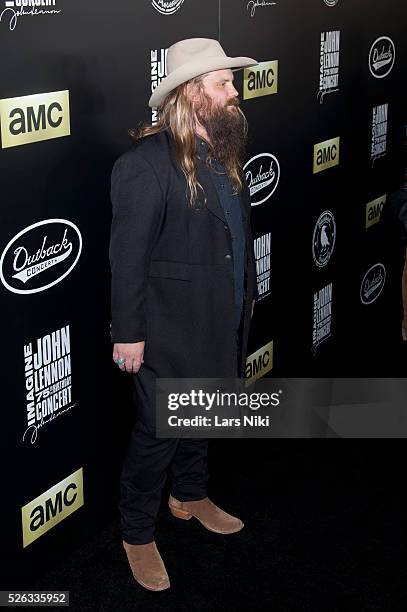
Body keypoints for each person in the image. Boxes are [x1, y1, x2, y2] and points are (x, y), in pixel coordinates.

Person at [109, 38, 259, 591]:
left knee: (207, 414)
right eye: (223, 83)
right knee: (156, 435)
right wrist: (128, 335)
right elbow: (126, 260)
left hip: (221, 319)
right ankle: (136, 532)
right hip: (169, 330)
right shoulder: (143, 166)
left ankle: (190, 495)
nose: (235, 91)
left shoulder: (222, 154)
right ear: (193, 93)